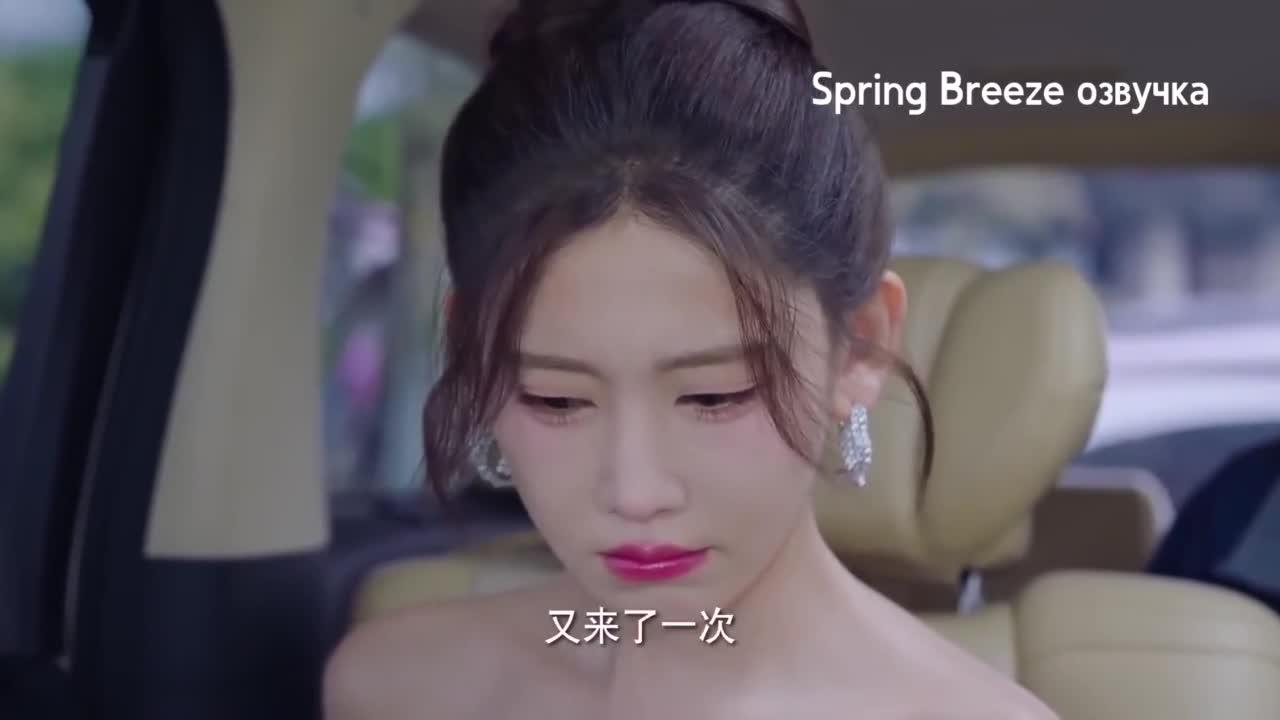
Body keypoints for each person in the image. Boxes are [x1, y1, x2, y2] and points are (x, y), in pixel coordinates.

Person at [324, 0, 1058, 717]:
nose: (635, 492)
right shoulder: (396, 684)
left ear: (859, 345)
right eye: (556, 399)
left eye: (715, 396)